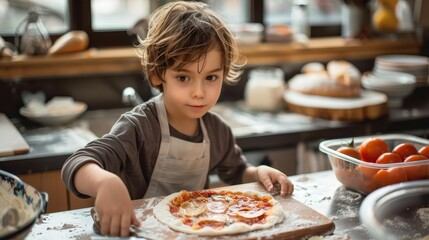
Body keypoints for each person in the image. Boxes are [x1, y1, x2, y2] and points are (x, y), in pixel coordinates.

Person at [61, 1, 294, 237]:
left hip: (194, 231)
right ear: (156, 75)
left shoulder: (217, 130)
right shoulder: (139, 127)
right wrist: (104, 183)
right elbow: (76, 164)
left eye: (211, 77)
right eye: (184, 78)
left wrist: (258, 173)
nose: (199, 92)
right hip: (138, 233)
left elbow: (237, 171)